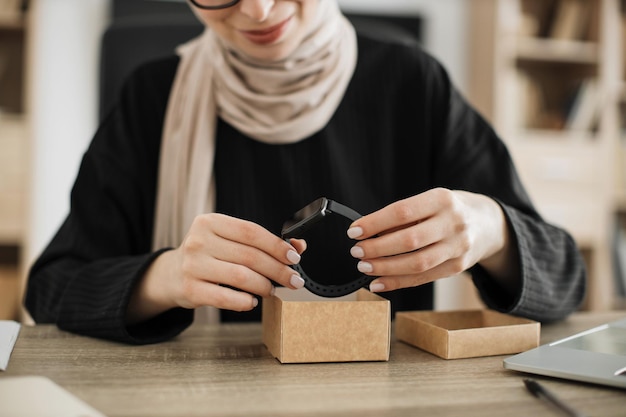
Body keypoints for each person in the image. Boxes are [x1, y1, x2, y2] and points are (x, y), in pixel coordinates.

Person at [25, 0, 585, 344]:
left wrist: (490, 227)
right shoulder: (151, 97)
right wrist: (163, 278)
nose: (258, 11)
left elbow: (565, 281)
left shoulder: (414, 83)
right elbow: (50, 290)